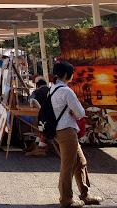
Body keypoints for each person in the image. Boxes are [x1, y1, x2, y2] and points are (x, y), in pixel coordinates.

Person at [50, 61, 102, 208]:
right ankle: (66, 200)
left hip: (59, 130)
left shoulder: (53, 88)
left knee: (80, 162)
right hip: (67, 131)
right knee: (68, 165)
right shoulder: (66, 91)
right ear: (67, 75)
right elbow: (80, 112)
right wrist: (75, 114)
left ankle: (85, 194)